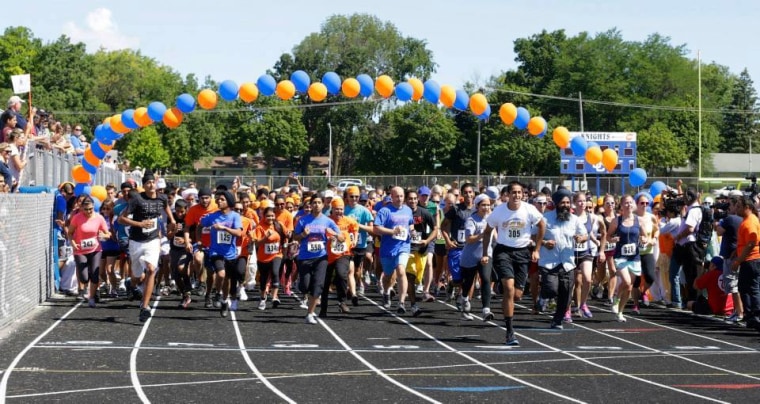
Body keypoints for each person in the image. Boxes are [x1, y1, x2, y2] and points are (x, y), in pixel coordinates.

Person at [482, 181, 545, 345]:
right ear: (508, 195)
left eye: (520, 192)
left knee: (517, 295)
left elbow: (542, 225)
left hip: (522, 252)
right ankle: (510, 332)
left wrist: (537, 249)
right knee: (509, 289)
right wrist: (485, 253)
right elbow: (487, 231)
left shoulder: (529, 209)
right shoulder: (499, 211)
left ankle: (500, 286)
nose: (517, 195)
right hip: (503, 251)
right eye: (514, 192)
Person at [118, 170, 176, 322]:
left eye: (152, 182)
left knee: (151, 269)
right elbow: (120, 219)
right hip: (136, 241)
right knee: (137, 275)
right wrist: (139, 223)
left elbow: (167, 208)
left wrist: (172, 221)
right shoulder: (137, 199)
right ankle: (132, 283)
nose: (151, 185)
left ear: (156, 184)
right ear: (144, 186)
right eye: (148, 183)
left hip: (153, 240)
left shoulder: (162, 198)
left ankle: (144, 306)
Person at [539, 188, 587, 329]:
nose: (565, 205)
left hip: (567, 262)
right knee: (552, 290)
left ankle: (557, 320)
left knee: (566, 295)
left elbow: (585, 235)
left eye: (567, 202)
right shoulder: (545, 218)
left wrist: (581, 238)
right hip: (549, 262)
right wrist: (544, 243)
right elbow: (534, 236)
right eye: (562, 202)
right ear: (556, 203)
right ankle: (543, 296)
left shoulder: (574, 220)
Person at [293, 196, 343, 324]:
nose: (316, 205)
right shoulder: (303, 220)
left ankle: (310, 314)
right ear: (311, 205)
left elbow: (342, 238)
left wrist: (335, 234)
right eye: (314, 203)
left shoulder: (328, 221)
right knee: (305, 286)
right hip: (304, 257)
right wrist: (303, 235)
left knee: (318, 285)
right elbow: (295, 237)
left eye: (319, 202)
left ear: (323, 205)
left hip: (321, 257)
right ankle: (302, 286)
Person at [200, 190, 243, 318]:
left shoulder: (235, 216)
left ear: (229, 201)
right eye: (217, 199)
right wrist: (199, 240)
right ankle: (217, 293)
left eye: (222, 199)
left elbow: (239, 233)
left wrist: (224, 228)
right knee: (221, 273)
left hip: (230, 254)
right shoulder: (212, 216)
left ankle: (224, 301)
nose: (219, 201)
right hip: (215, 252)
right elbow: (199, 225)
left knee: (227, 281)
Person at [606, 194, 649, 322]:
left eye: (631, 203)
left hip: (634, 257)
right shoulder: (616, 221)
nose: (629, 205)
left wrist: (644, 240)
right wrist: (613, 239)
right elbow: (607, 236)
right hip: (621, 256)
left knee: (629, 287)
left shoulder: (639, 220)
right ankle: (616, 299)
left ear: (634, 205)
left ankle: (620, 312)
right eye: (626, 203)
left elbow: (645, 237)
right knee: (626, 281)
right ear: (622, 206)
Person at [374, 186, 414, 313]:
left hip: (403, 246)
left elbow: (411, 224)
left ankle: (401, 302)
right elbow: (376, 228)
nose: (399, 199)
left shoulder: (408, 210)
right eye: (397, 196)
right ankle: (386, 292)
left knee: (401, 271)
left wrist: (412, 231)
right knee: (388, 276)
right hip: (387, 248)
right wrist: (392, 231)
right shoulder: (385, 211)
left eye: (401, 196)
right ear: (391, 196)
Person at [68, 197, 111, 308]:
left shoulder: (99, 218)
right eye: (86, 209)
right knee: (84, 278)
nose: (88, 212)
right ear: (82, 208)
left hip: (95, 249)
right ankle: (86, 287)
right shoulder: (77, 218)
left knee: (95, 275)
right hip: (80, 250)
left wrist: (104, 236)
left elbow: (108, 233)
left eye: (91, 209)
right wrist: (72, 242)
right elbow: (70, 232)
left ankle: (91, 297)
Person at [460, 193, 493, 321]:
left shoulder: (490, 219)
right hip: (470, 256)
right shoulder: (471, 220)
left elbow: (495, 234)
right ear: (477, 206)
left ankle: (486, 309)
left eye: (488, 205)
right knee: (468, 283)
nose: (486, 207)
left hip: (485, 255)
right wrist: (481, 235)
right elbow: (468, 239)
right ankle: (464, 298)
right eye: (483, 205)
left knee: (485, 279)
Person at [405, 190, 437, 317]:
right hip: (407, 249)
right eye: (410, 199)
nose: (412, 201)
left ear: (417, 199)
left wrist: (427, 241)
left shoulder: (424, 212)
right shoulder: (402, 213)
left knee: (418, 278)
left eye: (414, 198)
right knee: (410, 277)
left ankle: (414, 291)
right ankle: (413, 305)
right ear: (406, 200)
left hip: (422, 250)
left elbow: (435, 229)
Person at [730, 195, 760, 332]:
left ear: (747, 207)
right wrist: (736, 253)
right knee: (744, 288)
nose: (736, 209)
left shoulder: (750, 222)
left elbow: (752, 242)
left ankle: (755, 315)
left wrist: (738, 260)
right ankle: (750, 315)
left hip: (751, 260)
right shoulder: (748, 220)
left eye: (739, 206)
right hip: (749, 259)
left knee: (752, 289)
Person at [673, 188, 705, 307]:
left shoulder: (693, 211)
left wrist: (679, 236)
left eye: (685, 197)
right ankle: (692, 298)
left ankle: (692, 299)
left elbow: (690, 228)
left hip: (689, 245)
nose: (684, 200)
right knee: (689, 273)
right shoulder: (693, 209)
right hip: (690, 245)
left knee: (690, 273)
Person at [717, 194, 744, 322]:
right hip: (738, 254)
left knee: (734, 287)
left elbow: (719, 231)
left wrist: (717, 221)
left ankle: (738, 313)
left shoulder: (730, 219)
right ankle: (738, 311)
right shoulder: (742, 219)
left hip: (731, 256)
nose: (728, 208)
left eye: (731, 205)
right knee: (737, 286)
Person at [254, 207, 285, 311]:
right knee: (263, 278)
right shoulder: (260, 227)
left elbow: (287, 234)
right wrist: (265, 238)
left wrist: (289, 237)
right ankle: (263, 298)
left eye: (272, 215)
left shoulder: (278, 225)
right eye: (268, 216)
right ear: (264, 216)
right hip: (263, 258)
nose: (270, 218)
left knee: (275, 272)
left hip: (277, 254)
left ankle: (274, 297)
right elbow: (257, 243)